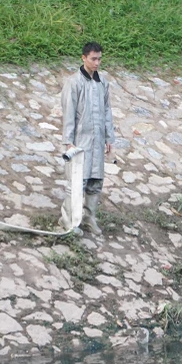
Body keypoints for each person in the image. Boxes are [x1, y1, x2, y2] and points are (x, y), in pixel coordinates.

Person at [61, 41, 114, 234]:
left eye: (99, 59)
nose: (97, 63)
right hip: (80, 142)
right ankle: (68, 221)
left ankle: (89, 218)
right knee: (77, 183)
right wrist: (68, 142)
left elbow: (107, 111)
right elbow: (68, 113)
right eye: (93, 59)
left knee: (95, 182)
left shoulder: (102, 83)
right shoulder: (74, 83)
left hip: (97, 141)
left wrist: (109, 137)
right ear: (84, 58)